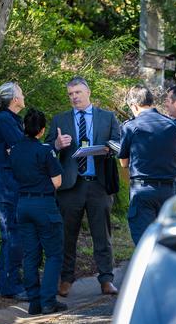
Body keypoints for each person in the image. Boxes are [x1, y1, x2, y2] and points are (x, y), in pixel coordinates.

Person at [45, 76, 121, 297]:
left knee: (102, 235)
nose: (74, 97)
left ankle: (106, 279)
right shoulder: (60, 119)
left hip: (99, 183)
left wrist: (108, 149)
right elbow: (47, 149)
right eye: (70, 94)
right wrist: (57, 145)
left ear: (88, 92)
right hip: (71, 186)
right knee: (67, 236)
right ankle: (66, 279)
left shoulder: (107, 118)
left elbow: (119, 144)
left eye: (77, 92)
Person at [10, 109, 66, 315]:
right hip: (44, 205)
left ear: (25, 127)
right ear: (42, 131)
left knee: (31, 254)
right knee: (53, 254)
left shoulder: (15, 150)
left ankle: (34, 301)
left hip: (23, 204)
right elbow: (57, 181)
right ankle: (48, 301)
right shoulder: (44, 151)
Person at [118, 85, 176, 245]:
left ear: (134, 105)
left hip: (142, 190)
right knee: (166, 242)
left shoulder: (130, 126)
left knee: (144, 243)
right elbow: (175, 154)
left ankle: (148, 271)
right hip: (168, 190)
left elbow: (124, 163)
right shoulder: (172, 125)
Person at [0, 82, 27, 300]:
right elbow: (22, 149)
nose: (23, 96)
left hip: (8, 183)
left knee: (10, 233)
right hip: (8, 186)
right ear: (13, 99)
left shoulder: (8, 120)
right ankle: (11, 285)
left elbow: (18, 149)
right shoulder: (4, 120)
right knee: (13, 233)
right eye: (21, 93)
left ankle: (6, 283)